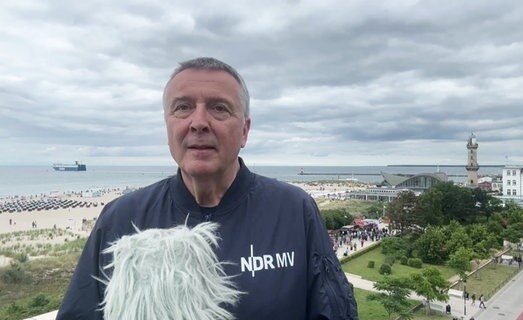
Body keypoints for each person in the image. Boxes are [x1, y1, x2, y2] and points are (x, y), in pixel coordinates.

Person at [56, 57, 358, 320]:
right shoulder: (122, 218)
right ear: (168, 126)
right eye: (183, 108)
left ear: (244, 131)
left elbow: (333, 312)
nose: (198, 122)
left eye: (219, 108)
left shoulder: (294, 209)